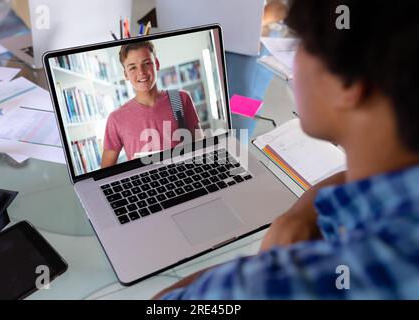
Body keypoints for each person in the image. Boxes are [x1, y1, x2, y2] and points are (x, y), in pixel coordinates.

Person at [154, 0, 419, 299]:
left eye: (299, 45)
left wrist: (266, 263)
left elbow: (161, 304)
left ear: (349, 84)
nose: (292, 62)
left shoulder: (274, 284)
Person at [101, 41, 203, 167]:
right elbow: (105, 171)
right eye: (132, 67)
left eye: (147, 63)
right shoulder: (116, 119)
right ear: (126, 74)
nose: (141, 72)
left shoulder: (181, 99)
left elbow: (201, 149)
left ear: (157, 64)